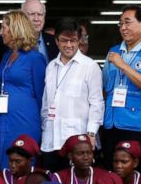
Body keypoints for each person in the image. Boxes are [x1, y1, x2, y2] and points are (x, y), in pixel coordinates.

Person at [100, 6, 141, 171]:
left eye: (127, 23)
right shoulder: (113, 52)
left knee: (138, 176)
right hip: (112, 123)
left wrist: (123, 66)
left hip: (138, 125)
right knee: (111, 173)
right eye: (120, 24)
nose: (123, 28)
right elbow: (105, 86)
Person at [40, 19, 103, 170]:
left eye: (73, 40)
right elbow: (46, 103)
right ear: (56, 41)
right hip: (51, 138)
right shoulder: (50, 67)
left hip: (77, 140)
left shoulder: (90, 66)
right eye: (64, 40)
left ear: (79, 40)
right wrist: (44, 129)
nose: (69, 45)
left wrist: (92, 134)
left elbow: (97, 103)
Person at [0, 10, 46, 174]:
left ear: (15, 29)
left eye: (3, 27)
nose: (0, 32)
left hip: (25, 120)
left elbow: (42, 95)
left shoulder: (35, 58)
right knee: (0, 159)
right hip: (3, 118)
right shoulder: (7, 55)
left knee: (20, 160)